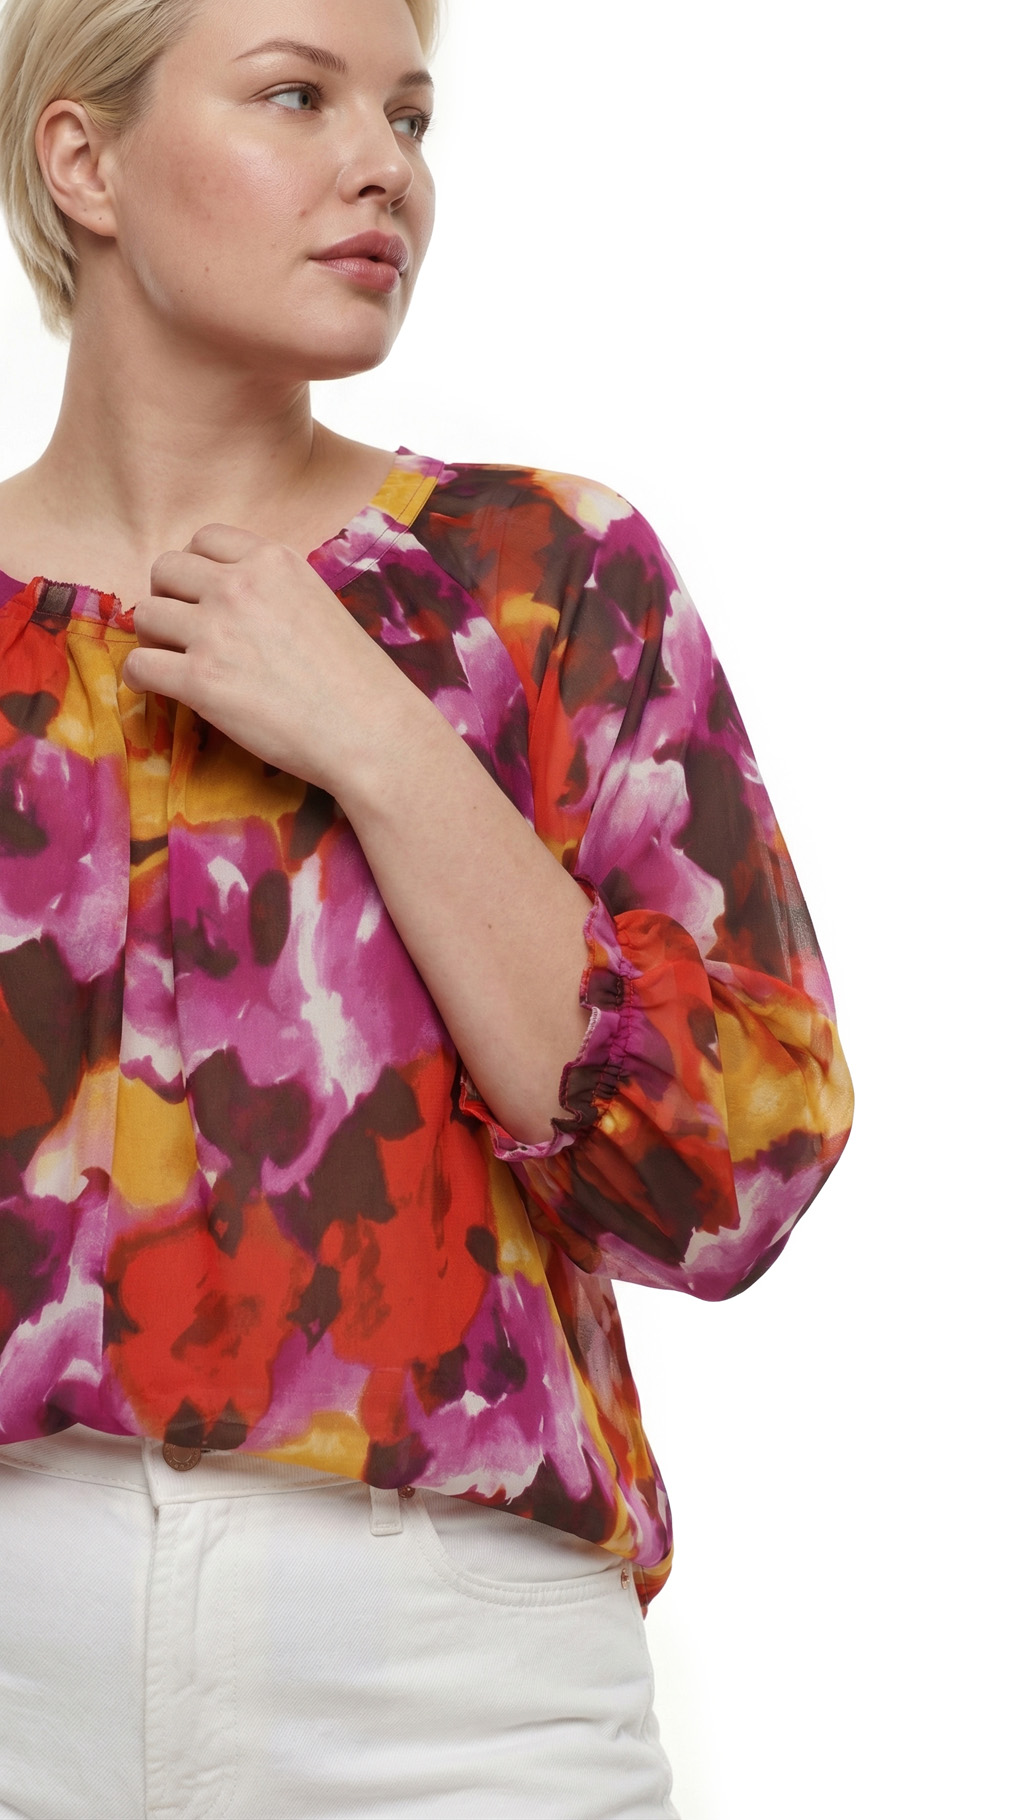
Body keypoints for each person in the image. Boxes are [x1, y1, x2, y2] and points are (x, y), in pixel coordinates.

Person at [0, 0, 854, 1814]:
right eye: (295, 96)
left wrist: (380, 735)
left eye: (408, 114)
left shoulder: (548, 583)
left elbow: (733, 1175)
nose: (381, 165)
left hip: (451, 1699)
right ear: (83, 160)